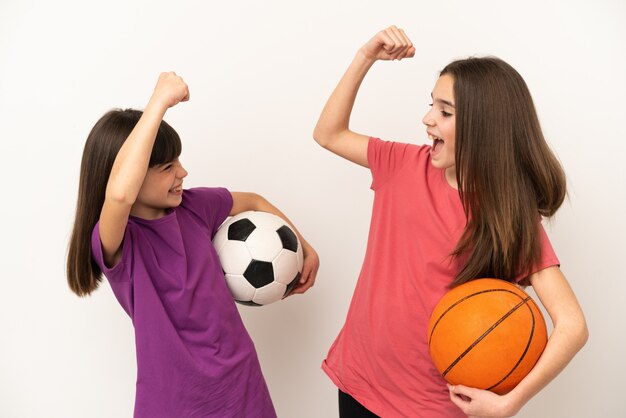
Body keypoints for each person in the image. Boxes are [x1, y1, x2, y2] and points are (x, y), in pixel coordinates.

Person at [313, 26, 588, 418]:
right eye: (431, 105)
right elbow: (328, 134)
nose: (427, 119)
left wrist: (511, 402)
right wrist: (365, 57)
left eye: (445, 112)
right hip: (360, 383)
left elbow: (572, 325)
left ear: (483, 126)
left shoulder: (507, 217)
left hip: (432, 408)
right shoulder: (403, 164)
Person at [66, 72, 319, 418]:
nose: (182, 172)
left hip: (242, 386)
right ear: (135, 174)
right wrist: (159, 101)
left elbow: (256, 201)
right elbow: (120, 193)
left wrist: (305, 249)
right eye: (168, 167)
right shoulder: (118, 244)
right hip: (176, 401)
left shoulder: (196, 208)